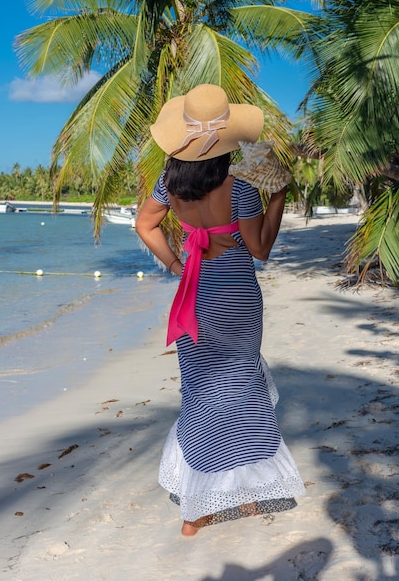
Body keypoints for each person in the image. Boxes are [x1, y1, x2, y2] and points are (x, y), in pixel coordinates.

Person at [135, 84, 305, 536]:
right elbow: (260, 248)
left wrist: (174, 262)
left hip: (195, 290)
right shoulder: (242, 186)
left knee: (201, 391)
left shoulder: (170, 182)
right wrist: (278, 196)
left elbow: (144, 223)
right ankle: (235, 494)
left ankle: (202, 509)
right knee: (240, 388)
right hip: (236, 297)